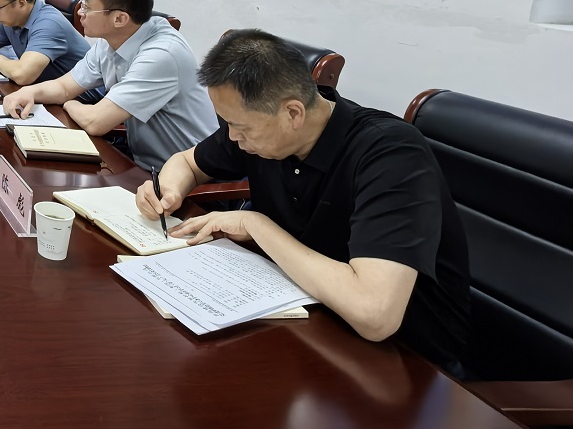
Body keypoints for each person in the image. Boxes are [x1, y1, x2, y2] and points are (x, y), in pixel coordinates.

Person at [134, 29, 470, 371]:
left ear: (293, 113)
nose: (233, 137)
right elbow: (187, 162)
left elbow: (375, 315)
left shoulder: (390, 155)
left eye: (241, 128)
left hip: (405, 362)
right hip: (307, 317)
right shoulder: (262, 130)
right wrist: (168, 190)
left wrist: (255, 223)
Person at [2, 0, 215, 167]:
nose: (80, 12)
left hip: (190, 176)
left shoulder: (161, 55)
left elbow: (95, 121)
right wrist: (28, 92)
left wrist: (69, 104)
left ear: (119, 18)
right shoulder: (111, 41)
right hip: (141, 161)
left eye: (87, 6)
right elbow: (64, 87)